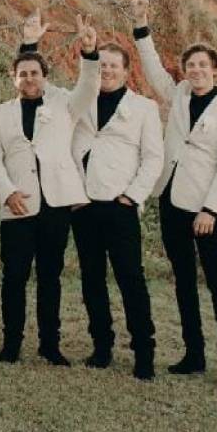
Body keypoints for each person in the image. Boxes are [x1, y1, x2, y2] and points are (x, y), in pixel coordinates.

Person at [131, 0, 217, 392]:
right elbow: (150, 67)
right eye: (190, 65)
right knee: (183, 281)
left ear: (215, 69)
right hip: (171, 199)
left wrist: (211, 211)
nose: (196, 70)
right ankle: (193, 354)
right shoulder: (178, 94)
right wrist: (141, 24)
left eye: (203, 64)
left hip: (205, 209)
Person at [0, 15, 98, 365]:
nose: (29, 78)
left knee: (50, 277)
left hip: (55, 204)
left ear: (45, 78)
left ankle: (50, 345)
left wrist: (89, 51)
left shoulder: (64, 105)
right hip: (17, 205)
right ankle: (11, 344)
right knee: (14, 278)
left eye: (35, 73)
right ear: (13, 78)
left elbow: (89, 86)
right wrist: (7, 192)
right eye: (23, 73)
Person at [66, 23, 163, 381]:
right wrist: (75, 197)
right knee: (92, 279)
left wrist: (131, 197)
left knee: (130, 279)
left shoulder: (143, 108)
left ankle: (144, 351)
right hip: (84, 205)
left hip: (120, 206)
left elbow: (154, 158)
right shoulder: (78, 99)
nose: (106, 71)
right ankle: (101, 346)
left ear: (126, 71)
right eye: (100, 65)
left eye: (113, 66)